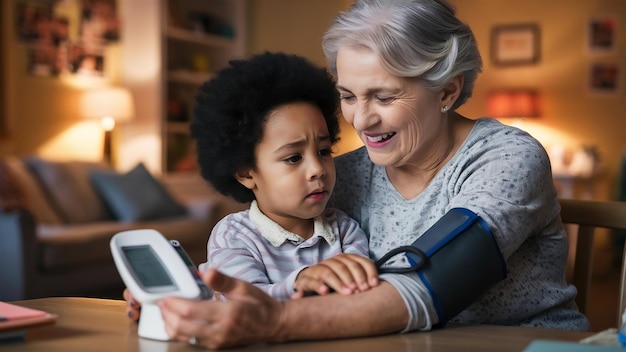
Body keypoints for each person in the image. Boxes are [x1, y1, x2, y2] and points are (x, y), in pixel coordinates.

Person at [127, 0, 590, 348]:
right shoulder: (336, 175)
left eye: (383, 97)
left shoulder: (507, 159)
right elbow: (262, 245)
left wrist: (274, 321)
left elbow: (435, 282)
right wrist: (185, 298)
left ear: (447, 91)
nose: (360, 121)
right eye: (348, 95)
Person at [124, 51, 376, 311]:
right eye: (293, 158)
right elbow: (244, 300)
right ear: (246, 173)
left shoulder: (345, 231)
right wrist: (300, 282)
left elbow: (361, 297)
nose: (317, 170)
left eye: (323, 151)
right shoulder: (234, 236)